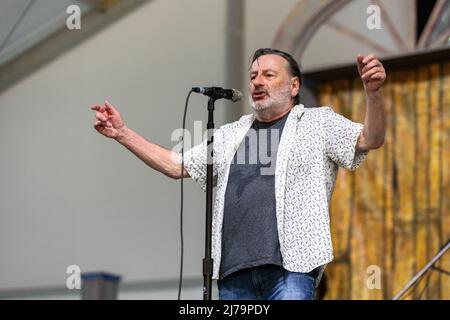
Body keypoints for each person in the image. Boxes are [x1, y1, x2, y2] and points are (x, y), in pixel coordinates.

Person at [90, 48, 386, 300]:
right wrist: (122, 133)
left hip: (291, 269)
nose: (258, 82)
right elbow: (175, 164)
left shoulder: (318, 123)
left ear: (294, 86)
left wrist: (373, 93)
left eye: (269, 75)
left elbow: (369, 139)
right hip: (233, 274)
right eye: (254, 76)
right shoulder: (230, 134)